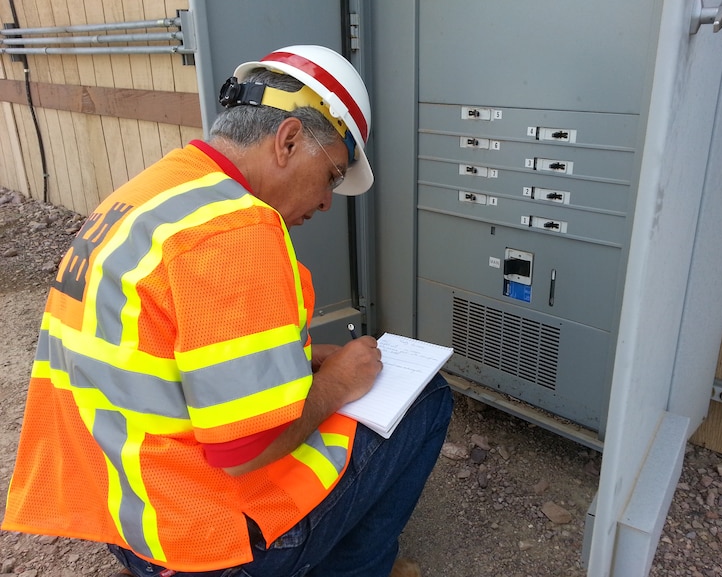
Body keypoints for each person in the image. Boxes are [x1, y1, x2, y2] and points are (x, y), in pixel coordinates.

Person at [2, 45, 453, 577]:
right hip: (207, 546)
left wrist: (297, 362)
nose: (329, 202)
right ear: (287, 140)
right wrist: (337, 384)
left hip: (124, 518)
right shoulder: (237, 231)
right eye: (332, 175)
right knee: (426, 400)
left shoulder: (151, 193)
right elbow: (245, 449)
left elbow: (163, 353)